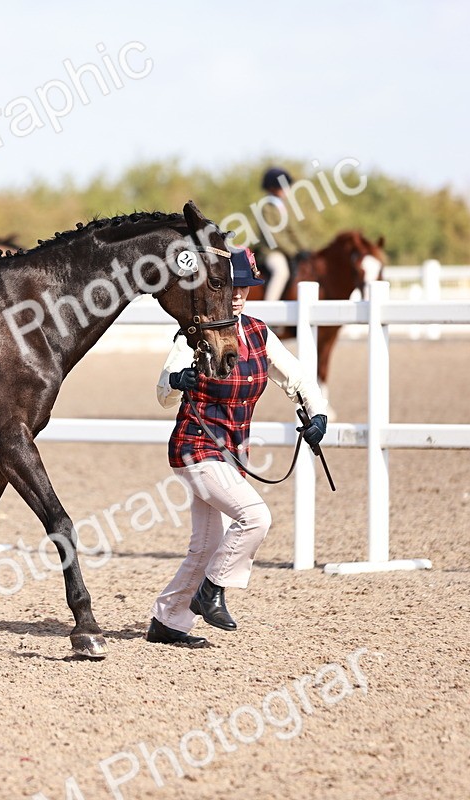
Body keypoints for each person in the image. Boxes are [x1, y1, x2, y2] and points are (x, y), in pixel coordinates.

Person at [146, 247, 328, 648]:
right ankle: (211, 592)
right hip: (195, 448)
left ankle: (169, 620)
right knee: (255, 517)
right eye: (232, 286)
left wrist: (317, 415)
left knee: (207, 545)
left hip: (231, 455)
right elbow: (162, 390)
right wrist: (179, 382)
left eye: (244, 287)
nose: (239, 294)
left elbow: (297, 379)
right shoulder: (195, 335)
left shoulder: (259, 334)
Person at [255, 167, 311, 302]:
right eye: (284, 186)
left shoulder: (283, 206)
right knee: (281, 272)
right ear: (273, 187)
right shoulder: (266, 207)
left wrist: (305, 249)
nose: (287, 190)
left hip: (287, 251)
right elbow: (273, 236)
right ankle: (270, 310)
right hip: (271, 251)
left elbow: (293, 231)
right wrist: (293, 251)